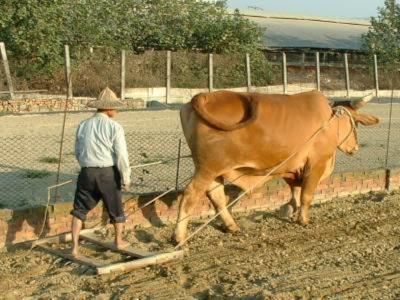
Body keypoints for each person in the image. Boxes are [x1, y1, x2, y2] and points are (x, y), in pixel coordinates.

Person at [70, 87, 131, 257]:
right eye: (115, 108)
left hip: (87, 172)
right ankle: (118, 241)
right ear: (110, 108)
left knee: (79, 210)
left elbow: (78, 151)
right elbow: (121, 155)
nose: (116, 111)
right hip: (107, 173)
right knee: (116, 209)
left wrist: (86, 165)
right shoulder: (114, 127)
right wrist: (126, 177)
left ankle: (74, 248)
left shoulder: (83, 125)